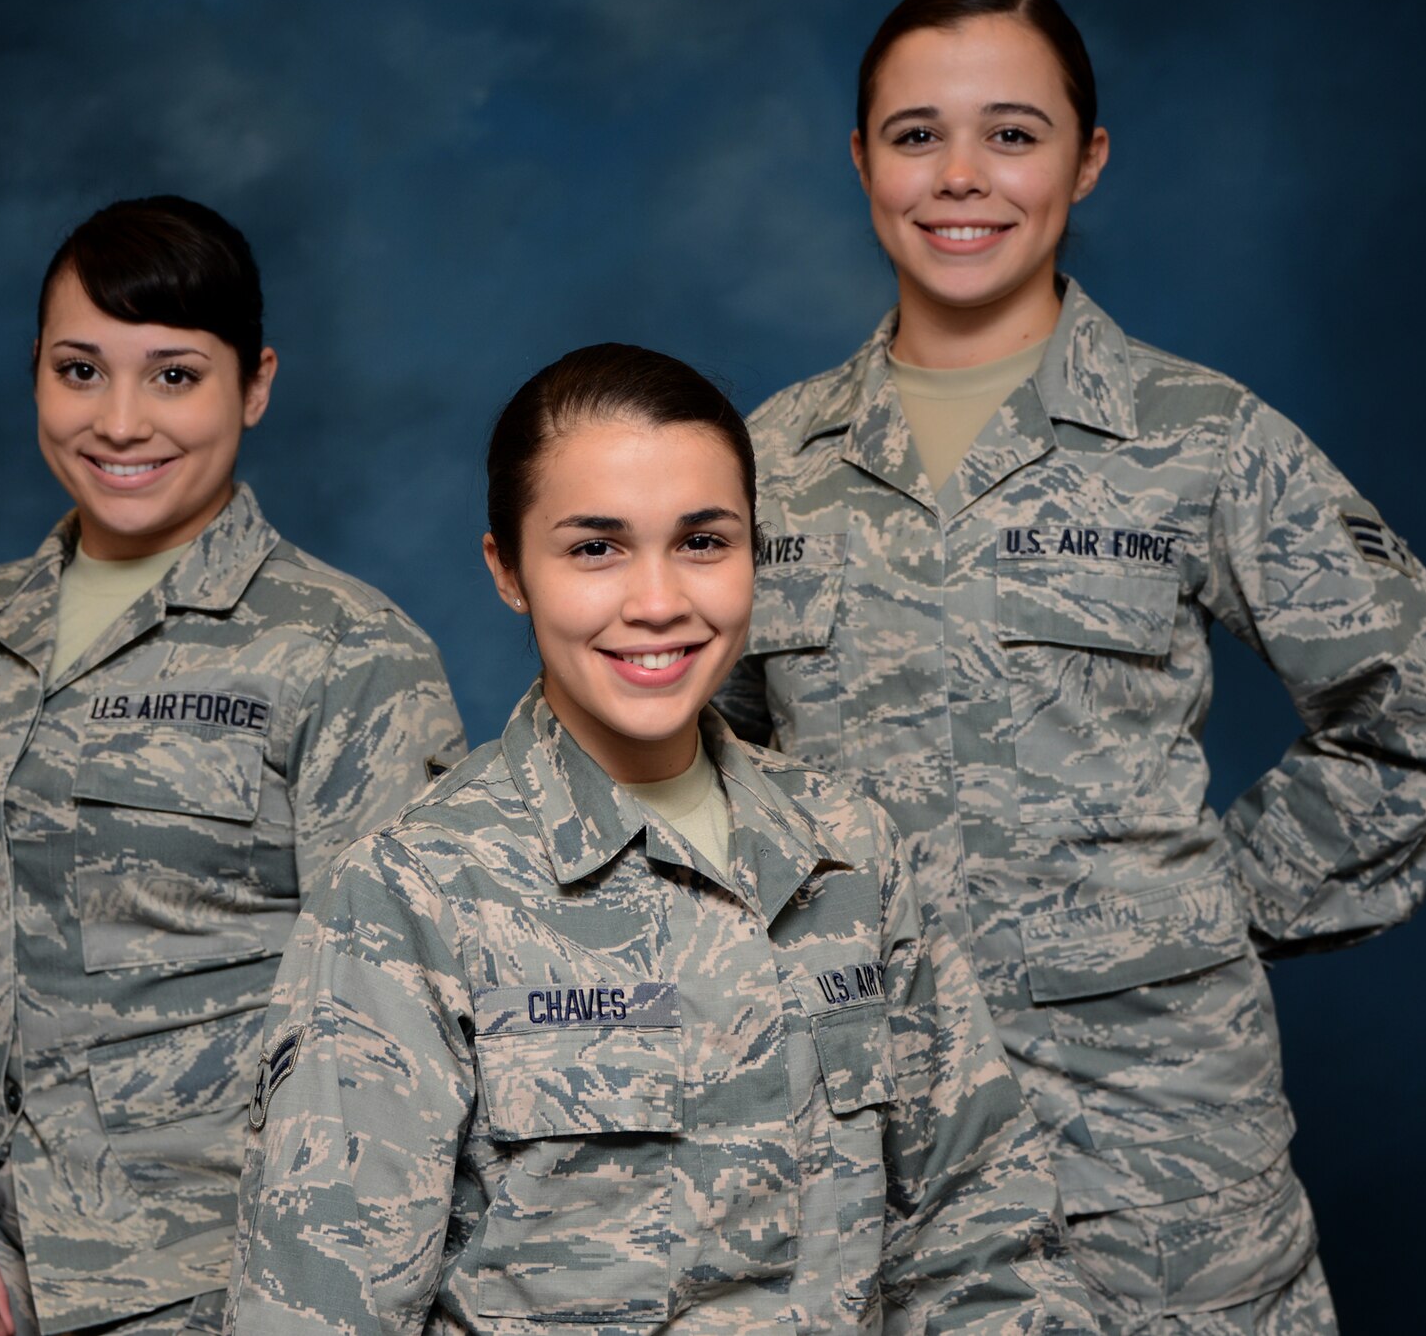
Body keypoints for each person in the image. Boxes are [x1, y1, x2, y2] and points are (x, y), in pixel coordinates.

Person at [715, 0, 1426, 1333]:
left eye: (1013, 134)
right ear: (859, 161)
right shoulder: (768, 461)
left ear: (1088, 158)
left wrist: (1204, 911)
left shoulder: (1201, 437)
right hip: (866, 1143)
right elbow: (697, 769)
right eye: (917, 136)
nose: (962, 176)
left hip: (1155, 1157)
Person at [0, 196, 467, 1336]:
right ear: (34, 376)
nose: (119, 420)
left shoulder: (351, 656)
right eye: (80, 370)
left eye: (173, 375)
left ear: (253, 386)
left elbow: (400, 1032)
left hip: (213, 1266)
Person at [227, 344, 1097, 1335]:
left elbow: (980, 1239)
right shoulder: (412, 894)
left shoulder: (851, 849)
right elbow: (315, 1313)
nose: (656, 601)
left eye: (702, 542)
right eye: (594, 548)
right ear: (506, 569)